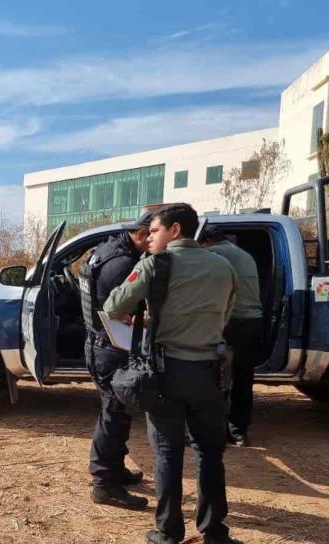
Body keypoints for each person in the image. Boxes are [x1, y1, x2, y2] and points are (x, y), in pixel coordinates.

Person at [104, 203, 241, 544]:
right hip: (209, 373)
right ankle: (214, 532)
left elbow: (112, 306)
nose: (148, 237)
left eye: (154, 230)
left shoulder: (155, 265)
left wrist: (150, 319)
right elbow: (224, 316)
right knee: (210, 453)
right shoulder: (224, 266)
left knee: (167, 453)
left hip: (166, 374)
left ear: (175, 230)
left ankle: (168, 532)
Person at [79, 211, 153, 510]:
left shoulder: (105, 250)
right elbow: (122, 311)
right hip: (110, 347)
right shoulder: (124, 264)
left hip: (100, 344)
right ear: (143, 234)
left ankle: (115, 470)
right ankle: (104, 485)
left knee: (118, 413)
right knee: (113, 413)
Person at [200, 227, 264, 447]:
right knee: (243, 378)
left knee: (216, 378)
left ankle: (216, 430)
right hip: (253, 321)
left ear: (206, 241)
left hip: (231, 322)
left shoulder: (214, 254)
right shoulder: (242, 253)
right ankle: (239, 432)